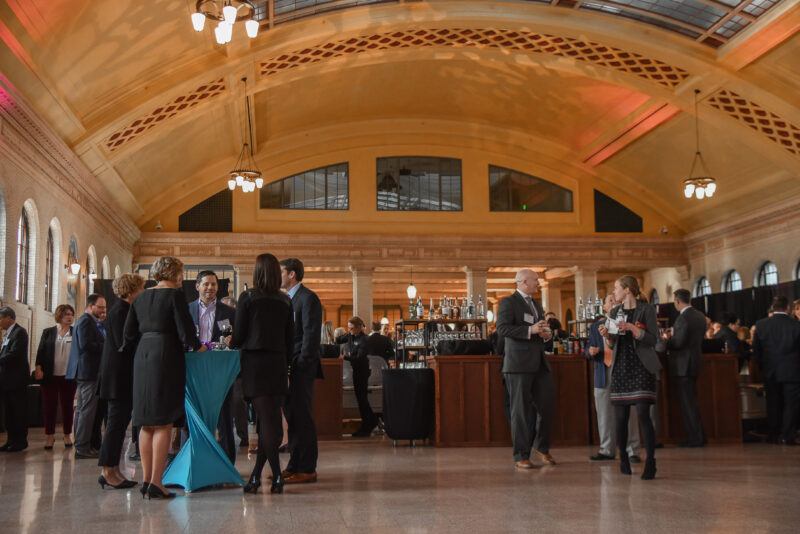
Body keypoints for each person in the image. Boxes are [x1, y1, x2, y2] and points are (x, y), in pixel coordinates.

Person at [123, 256, 204, 500]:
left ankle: (147, 480)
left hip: (142, 356)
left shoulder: (141, 297)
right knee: (164, 421)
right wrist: (198, 347)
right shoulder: (174, 296)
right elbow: (185, 330)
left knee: (146, 421)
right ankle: (157, 482)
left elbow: (128, 334)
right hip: (165, 355)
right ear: (176, 274)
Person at [228, 253, 294, 494]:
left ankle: (276, 476)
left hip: (255, 363)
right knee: (271, 422)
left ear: (257, 273)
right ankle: (257, 476)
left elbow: (239, 336)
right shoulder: (286, 301)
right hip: (277, 362)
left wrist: (231, 340)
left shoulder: (248, 297)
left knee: (267, 422)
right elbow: (290, 339)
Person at [598, 276, 661, 480]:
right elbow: (612, 344)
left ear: (627, 290)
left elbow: (653, 339)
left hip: (642, 366)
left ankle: (650, 460)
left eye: (616, 288)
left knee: (643, 414)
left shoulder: (647, 310)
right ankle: (623, 456)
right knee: (621, 418)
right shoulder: (616, 311)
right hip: (621, 367)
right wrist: (607, 336)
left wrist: (634, 329)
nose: (614, 292)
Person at [496, 268, 555, 469]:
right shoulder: (508, 302)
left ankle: (540, 445)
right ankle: (521, 454)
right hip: (518, 365)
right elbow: (503, 328)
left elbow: (540, 328)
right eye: (535, 280)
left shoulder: (537, 304)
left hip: (539, 362)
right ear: (523, 282)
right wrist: (531, 330)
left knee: (547, 405)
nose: (538, 284)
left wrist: (546, 334)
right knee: (519, 411)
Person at [96, 274, 145, 489]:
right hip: (118, 377)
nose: (143, 291)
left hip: (121, 376)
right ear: (132, 289)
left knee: (118, 424)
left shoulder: (124, 310)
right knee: (115, 425)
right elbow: (125, 343)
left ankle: (112, 468)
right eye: (142, 287)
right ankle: (107, 470)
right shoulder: (120, 311)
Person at [280, 257, 322, 484]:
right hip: (289, 367)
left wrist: (303, 364)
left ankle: (307, 468)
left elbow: (311, 336)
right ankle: (294, 464)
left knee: (303, 418)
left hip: (301, 368)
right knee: (292, 417)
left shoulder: (308, 298)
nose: (279, 276)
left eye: (281, 272)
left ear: (292, 274)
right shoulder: (286, 299)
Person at [188, 270, 237, 464]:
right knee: (197, 416)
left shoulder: (230, 312)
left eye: (214, 284)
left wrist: (233, 340)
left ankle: (227, 464)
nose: (210, 288)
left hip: (220, 369)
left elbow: (238, 338)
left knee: (225, 416)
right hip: (195, 368)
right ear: (197, 286)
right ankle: (199, 461)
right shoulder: (187, 310)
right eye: (206, 284)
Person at [587, 295, 641, 462]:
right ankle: (607, 449)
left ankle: (632, 450)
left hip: (623, 371)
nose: (613, 302)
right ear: (604, 307)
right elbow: (589, 346)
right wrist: (590, 351)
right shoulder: (595, 326)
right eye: (609, 300)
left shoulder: (624, 324)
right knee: (603, 413)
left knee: (629, 412)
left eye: (615, 300)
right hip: (602, 372)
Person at [661, 289, 707, 448]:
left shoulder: (682, 318)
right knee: (692, 402)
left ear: (677, 301)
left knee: (688, 404)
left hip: (682, 365)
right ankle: (698, 436)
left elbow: (679, 343)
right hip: (694, 362)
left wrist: (666, 340)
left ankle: (695, 438)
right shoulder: (700, 316)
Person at [752, 295, 800, 445]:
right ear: (788, 308)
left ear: (772, 307)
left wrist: (761, 367)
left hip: (770, 371)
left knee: (772, 404)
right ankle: (788, 435)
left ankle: (773, 435)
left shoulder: (761, 325)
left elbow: (756, 350)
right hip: (792, 371)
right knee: (790, 405)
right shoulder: (796, 325)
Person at [65, 293, 107, 459]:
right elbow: (85, 345)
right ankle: (82, 447)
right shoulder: (85, 321)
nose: (103, 310)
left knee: (85, 410)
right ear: (91, 306)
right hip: (88, 372)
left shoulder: (89, 322)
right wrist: (106, 344)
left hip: (89, 371)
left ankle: (83, 444)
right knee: (86, 411)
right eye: (101, 307)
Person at [34, 304, 77, 449]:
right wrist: (38, 367)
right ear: (60, 316)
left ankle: (67, 435)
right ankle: (50, 436)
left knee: (67, 406)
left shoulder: (75, 332)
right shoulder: (48, 332)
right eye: (66, 314)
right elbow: (40, 351)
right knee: (50, 406)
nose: (69, 317)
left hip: (68, 375)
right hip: (50, 375)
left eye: (71, 314)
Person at [336, 316, 379, 437]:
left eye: (352, 328)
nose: (349, 331)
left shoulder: (364, 340)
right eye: (348, 328)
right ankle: (370, 421)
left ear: (359, 328)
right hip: (356, 370)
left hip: (362, 371)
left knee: (362, 399)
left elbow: (359, 359)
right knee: (361, 399)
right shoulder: (350, 336)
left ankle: (368, 423)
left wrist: (344, 357)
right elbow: (338, 339)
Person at [0, 307, 30, 452]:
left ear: (9, 318)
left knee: (18, 411)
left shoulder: (20, 332)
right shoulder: (7, 334)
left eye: (1, 318)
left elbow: (14, 353)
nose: (0, 322)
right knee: (10, 412)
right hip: (7, 380)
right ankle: (11, 440)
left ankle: (20, 441)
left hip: (17, 380)